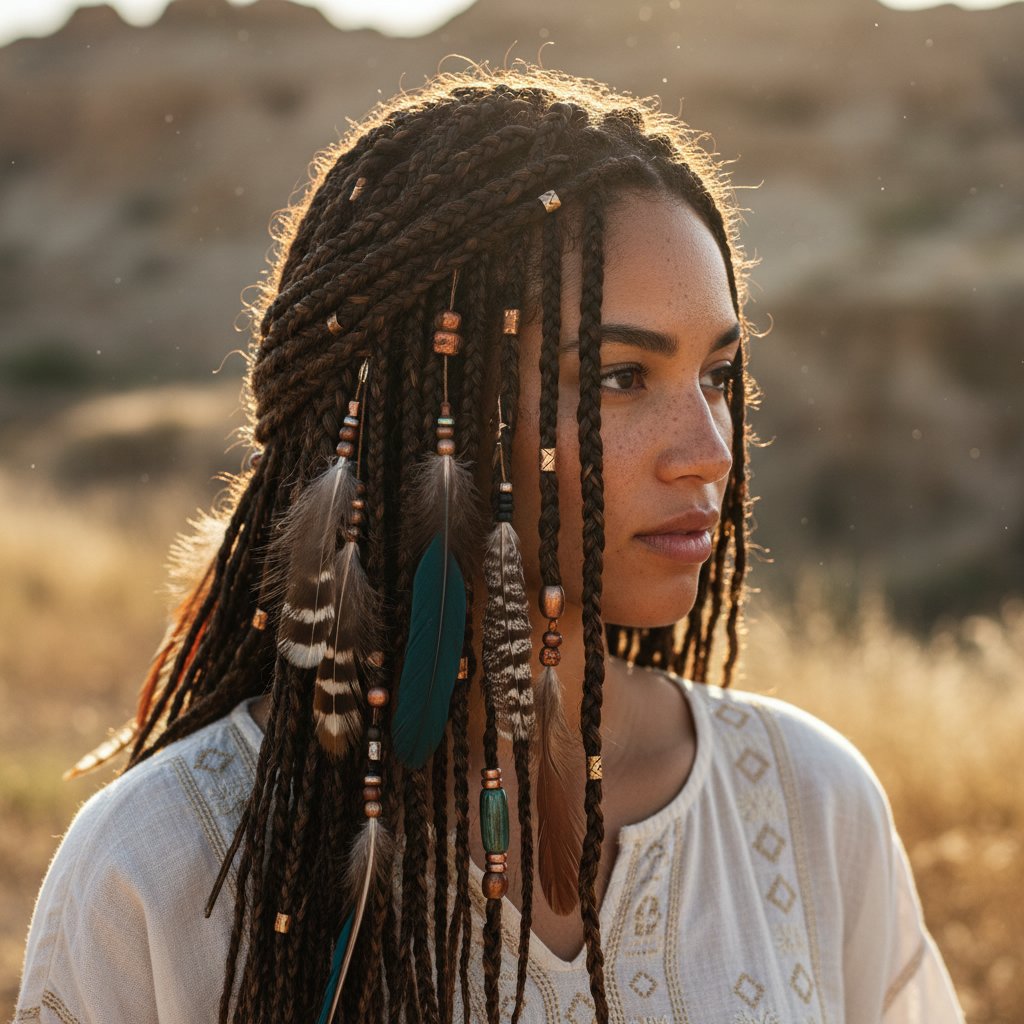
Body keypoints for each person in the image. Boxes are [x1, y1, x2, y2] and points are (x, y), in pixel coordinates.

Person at [15, 66, 964, 1024]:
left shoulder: (808, 802)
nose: (709, 453)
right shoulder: (162, 864)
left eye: (718, 375)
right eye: (622, 376)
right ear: (434, 414)